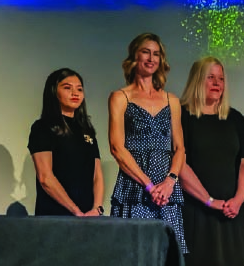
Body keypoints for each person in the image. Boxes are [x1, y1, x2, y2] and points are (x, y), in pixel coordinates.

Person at [176, 57, 244, 266]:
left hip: (228, 206)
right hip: (197, 205)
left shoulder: (234, 118)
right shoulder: (183, 117)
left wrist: (237, 199)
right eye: (210, 78)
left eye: (220, 78)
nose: (217, 83)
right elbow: (179, 163)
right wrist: (208, 199)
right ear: (197, 80)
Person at [107, 32, 186, 254]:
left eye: (156, 54)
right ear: (135, 57)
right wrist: (149, 185)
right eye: (145, 52)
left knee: (167, 258)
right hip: (135, 188)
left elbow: (180, 149)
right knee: (133, 254)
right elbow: (117, 148)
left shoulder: (172, 100)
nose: (151, 58)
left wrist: (169, 182)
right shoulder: (121, 97)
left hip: (167, 193)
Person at [28, 68, 105, 216]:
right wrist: (75, 211)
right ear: (53, 91)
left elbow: (97, 175)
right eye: (67, 88)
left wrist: (97, 209)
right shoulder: (43, 127)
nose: (75, 93)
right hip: (55, 217)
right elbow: (45, 177)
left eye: (79, 89)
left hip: (88, 217)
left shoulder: (86, 129)